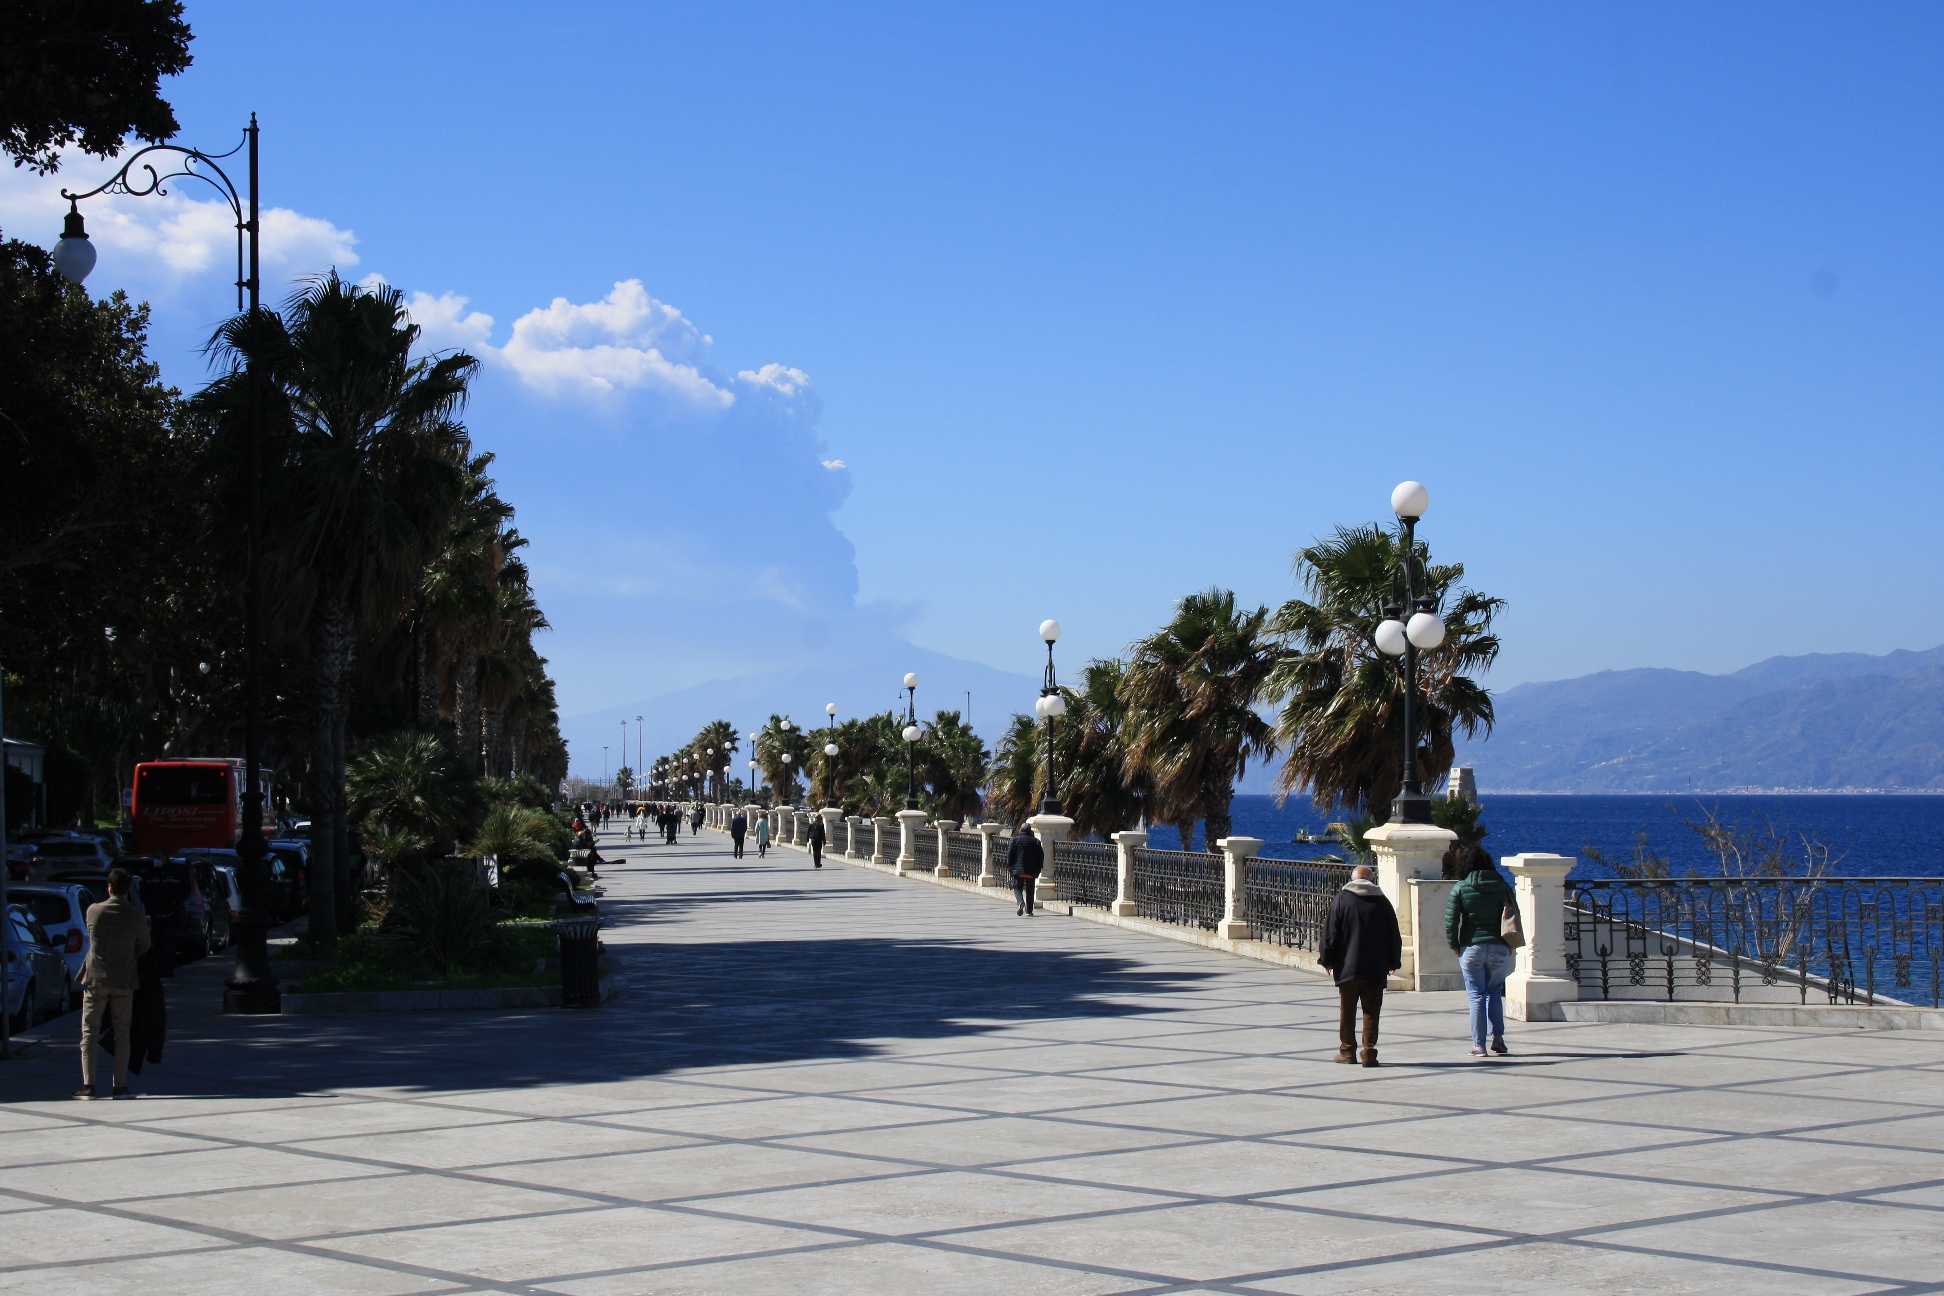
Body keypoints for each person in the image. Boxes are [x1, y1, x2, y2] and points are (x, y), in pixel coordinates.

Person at [76, 867, 151, 1100]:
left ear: (109, 888)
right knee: (122, 1033)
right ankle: (119, 1085)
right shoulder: (136, 915)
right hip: (123, 979)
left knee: (89, 1032)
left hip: (96, 979)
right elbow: (145, 945)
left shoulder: (94, 911)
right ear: (129, 889)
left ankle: (88, 1085)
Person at [1318, 863, 1402, 1068]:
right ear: (1372, 880)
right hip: (1375, 966)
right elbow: (1394, 935)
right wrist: (1393, 961)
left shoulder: (1342, 899)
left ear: (1352, 879)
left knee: (1347, 1010)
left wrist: (1326, 959)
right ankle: (1369, 1052)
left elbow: (1330, 933)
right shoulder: (1383, 902)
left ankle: (1347, 1050)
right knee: (1371, 1010)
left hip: (1348, 966)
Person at [1447, 853, 1516, 1058]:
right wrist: (1510, 943)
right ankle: (1498, 1039)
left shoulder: (1461, 887)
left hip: (1471, 947)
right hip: (1499, 946)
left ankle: (1479, 1045)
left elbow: (1450, 921)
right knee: (1494, 992)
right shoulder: (1502, 886)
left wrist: (1455, 946)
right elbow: (1514, 914)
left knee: (1476, 995)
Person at [1007, 824, 1043, 916]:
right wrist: (1038, 869)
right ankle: (1029, 910)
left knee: (1017, 887)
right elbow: (1041, 857)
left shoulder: (1014, 840)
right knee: (1030, 890)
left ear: (1020, 830)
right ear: (1030, 831)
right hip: (1031, 871)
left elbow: (1009, 856)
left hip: (1018, 870)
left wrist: (1011, 868)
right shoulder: (1036, 842)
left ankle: (1020, 902)